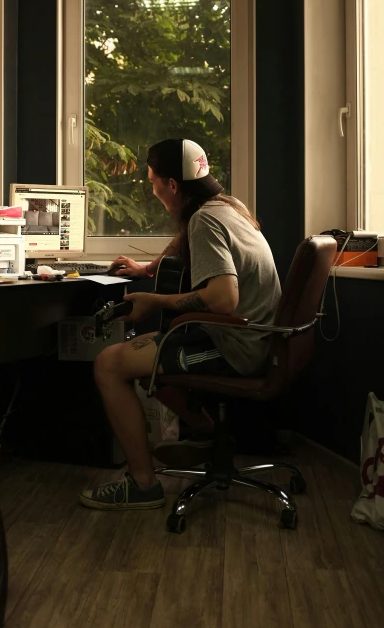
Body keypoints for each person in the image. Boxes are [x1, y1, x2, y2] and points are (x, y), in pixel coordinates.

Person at [79, 138, 281, 511]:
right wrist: (147, 269)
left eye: (154, 182)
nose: (153, 190)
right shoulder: (226, 207)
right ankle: (207, 434)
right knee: (141, 361)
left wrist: (153, 300)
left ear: (172, 185)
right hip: (259, 339)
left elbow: (223, 298)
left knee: (109, 363)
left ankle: (142, 484)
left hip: (235, 348)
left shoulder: (204, 220)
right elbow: (184, 238)